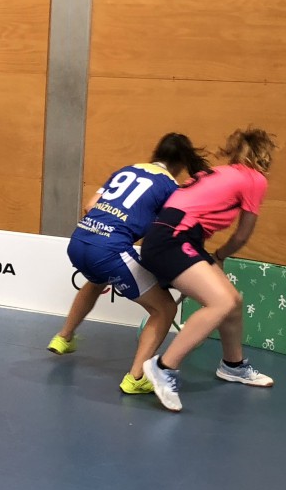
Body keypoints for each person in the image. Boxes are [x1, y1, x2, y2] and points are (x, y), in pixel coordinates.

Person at [47, 133, 210, 395]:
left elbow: (90, 206)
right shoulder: (170, 187)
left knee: (95, 280)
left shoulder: (128, 169)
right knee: (165, 309)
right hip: (110, 249)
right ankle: (136, 378)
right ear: (182, 162)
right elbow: (167, 230)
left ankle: (63, 337)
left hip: (79, 241)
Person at [138, 128, 278, 413]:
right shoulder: (255, 179)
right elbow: (242, 236)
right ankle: (164, 367)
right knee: (221, 302)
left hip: (174, 237)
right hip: (173, 240)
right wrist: (220, 255)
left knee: (233, 301)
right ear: (263, 156)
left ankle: (233, 365)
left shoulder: (218, 173)